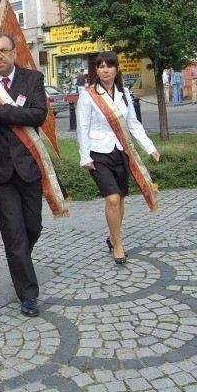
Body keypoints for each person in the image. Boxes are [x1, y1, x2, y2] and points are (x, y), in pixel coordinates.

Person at [0, 33, 50, 318]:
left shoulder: (33, 79)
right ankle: (28, 294)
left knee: (33, 227)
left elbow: (37, 115)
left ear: (14, 53)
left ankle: (19, 260)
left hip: (28, 167)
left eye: (4, 51)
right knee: (13, 234)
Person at [77, 51, 160, 265]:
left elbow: (133, 123)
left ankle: (112, 236)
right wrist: (84, 156)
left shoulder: (124, 93)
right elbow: (82, 127)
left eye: (109, 66)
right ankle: (118, 242)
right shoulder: (88, 95)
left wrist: (150, 148)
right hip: (97, 152)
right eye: (100, 66)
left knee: (120, 199)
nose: (104, 70)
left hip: (121, 151)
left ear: (116, 69)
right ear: (96, 70)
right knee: (112, 198)